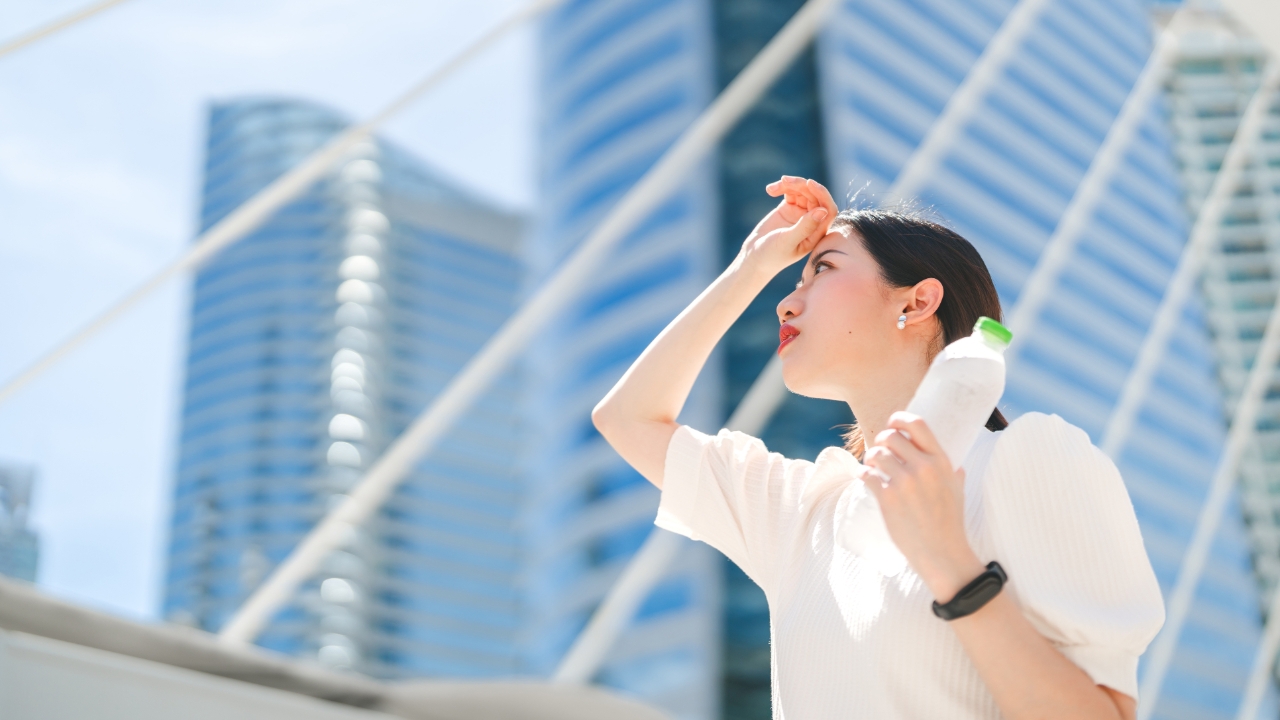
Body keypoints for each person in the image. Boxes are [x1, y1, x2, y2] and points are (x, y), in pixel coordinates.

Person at [591, 176, 1164, 719]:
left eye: (823, 269)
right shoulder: (803, 512)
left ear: (916, 303)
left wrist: (952, 566)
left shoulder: (1028, 460)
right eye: (793, 281)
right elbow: (627, 418)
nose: (785, 304)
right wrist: (752, 263)